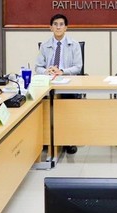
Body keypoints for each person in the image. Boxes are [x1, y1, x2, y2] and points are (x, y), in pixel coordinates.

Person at [35, 14, 82, 155]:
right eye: (55, 24)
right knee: (42, 106)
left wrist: (62, 71)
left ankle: (68, 140)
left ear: (66, 28)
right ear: (50, 28)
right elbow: (38, 67)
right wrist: (46, 71)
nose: (58, 27)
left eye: (61, 24)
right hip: (49, 81)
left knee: (66, 108)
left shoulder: (74, 45)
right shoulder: (45, 46)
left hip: (67, 81)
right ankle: (46, 139)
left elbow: (78, 67)